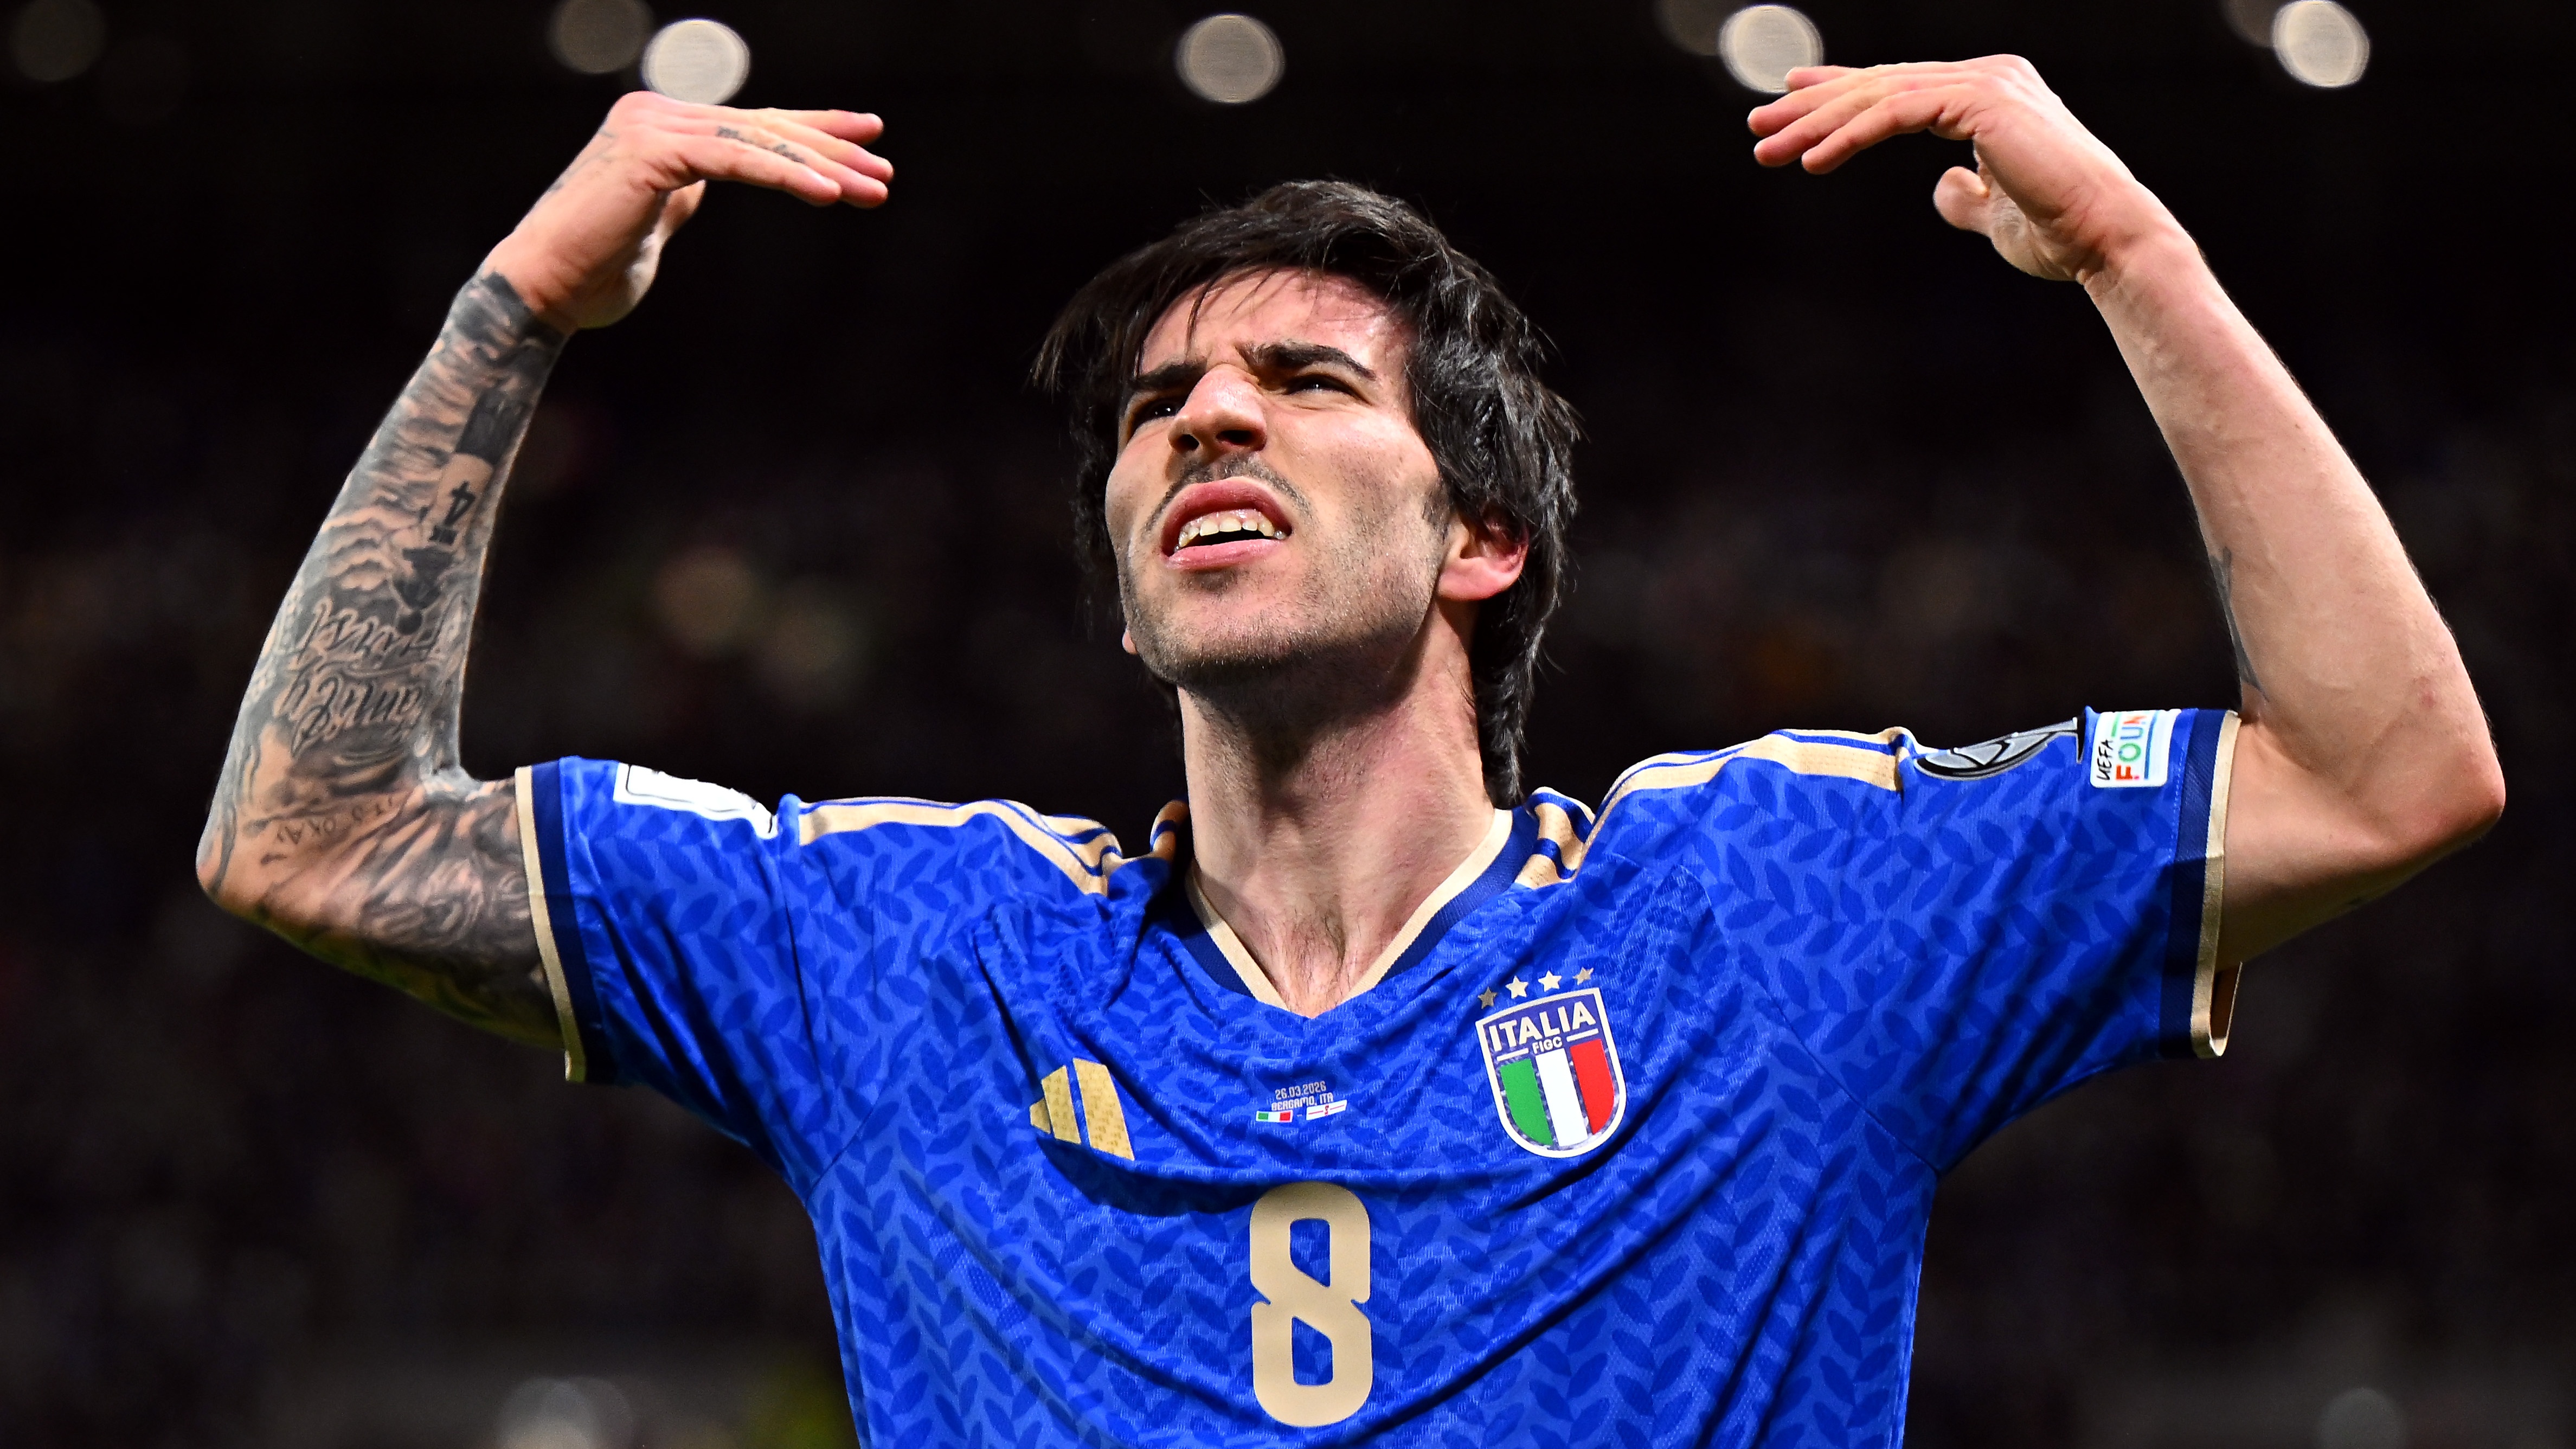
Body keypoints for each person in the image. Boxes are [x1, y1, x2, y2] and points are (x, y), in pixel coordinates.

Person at [199, 58, 2501, 1446]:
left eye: (1305, 385)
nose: (1204, 409)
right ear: (1122, 590)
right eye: (1154, 410)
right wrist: (509, 315)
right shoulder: (914, 948)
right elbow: (310, 834)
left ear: (1483, 533)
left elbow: (2385, 769)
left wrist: (2125, 244)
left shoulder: (1767, 914)